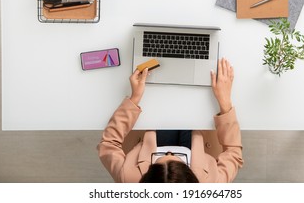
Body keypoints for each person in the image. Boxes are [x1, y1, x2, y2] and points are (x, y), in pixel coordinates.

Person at [98, 58, 243, 183]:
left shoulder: (129, 179)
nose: (169, 152)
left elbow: (108, 144)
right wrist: (225, 102)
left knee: (163, 100)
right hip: (199, 144)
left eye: (161, 157)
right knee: (190, 103)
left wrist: (134, 98)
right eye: (175, 157)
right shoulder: (211, 186)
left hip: (149, 140)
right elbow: (234, 152)